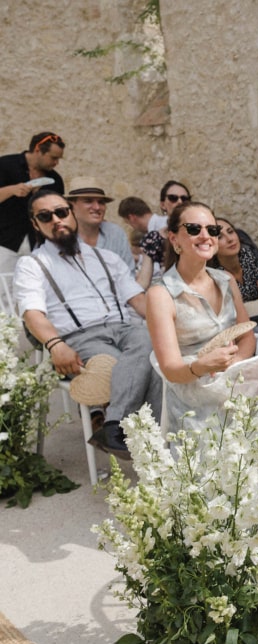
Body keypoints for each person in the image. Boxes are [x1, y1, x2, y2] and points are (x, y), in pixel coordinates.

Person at [146, 201, 258, 434]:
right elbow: (171, 369)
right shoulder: (160, 294)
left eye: (212, 230)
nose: (206, 236)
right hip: (194, 388)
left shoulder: (225, 280)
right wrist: (201, 366)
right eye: (195, 229)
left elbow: (247, 336)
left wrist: (233, 366)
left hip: (234, 375)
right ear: (175, 239)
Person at [15, 188, 162, 457]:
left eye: (61, 212)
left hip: (123, 328)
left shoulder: (107, 258)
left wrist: (171, 326)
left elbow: (139, 302)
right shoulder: (33, 265)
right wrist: (55, 344)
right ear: (36, 224)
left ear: (71, 214)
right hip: (80, 338)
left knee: (156, 344)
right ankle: (163, 443)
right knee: (141, 366)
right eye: (46, 216)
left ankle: (115, 424)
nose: (56, 220)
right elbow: (32, 312)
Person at [0, 132, 66, 270]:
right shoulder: (4, 165)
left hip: (39, 245)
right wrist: (11, 190)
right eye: (53, 158)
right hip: (4, 242)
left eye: (59, 159)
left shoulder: (55, 180)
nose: (56, 163)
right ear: (38, 150)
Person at [66, 178, 133, 268]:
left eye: (101, 202)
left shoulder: (116, 234)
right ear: (71, 206)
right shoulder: (62, 236)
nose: (97, 207)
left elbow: (129, 275)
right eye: (88, 201)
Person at [138, 180, 191, 286]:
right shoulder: (154, 238)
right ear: (163, 204)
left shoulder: (202, 232)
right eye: (173, 198)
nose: (180, 202)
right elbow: (143, 281)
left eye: (184, 199)